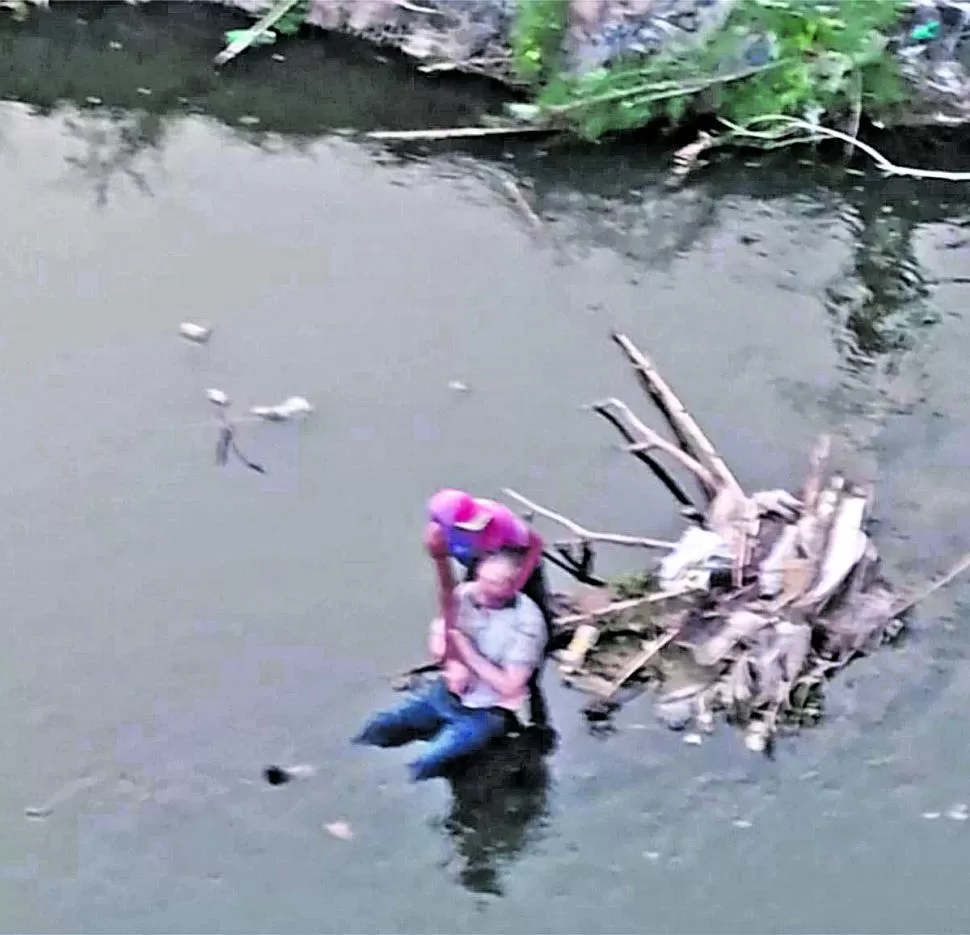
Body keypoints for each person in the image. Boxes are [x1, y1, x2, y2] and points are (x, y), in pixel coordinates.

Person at [352, 553, 547, 782]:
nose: (481, 588)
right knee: (377, 727)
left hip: (487, 710)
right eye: (481, 579)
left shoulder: (528, 624)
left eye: (492, 583)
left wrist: (467, 654)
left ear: (512, 585)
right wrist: (451, 663)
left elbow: (511, 686)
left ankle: (390, 793)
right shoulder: (466, 593)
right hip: (445, 694)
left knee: (427, 762)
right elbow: (441, 630)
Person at [424, 488, 557, 748]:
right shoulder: (437, 538)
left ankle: (533, 706)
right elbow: (447, 588)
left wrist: (514, 587)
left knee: (537, 628)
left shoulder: (499, 520)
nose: (475, 527)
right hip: (480, 569)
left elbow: (536, 544)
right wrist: (452, 646)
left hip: (517, 566)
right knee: (471, 624)